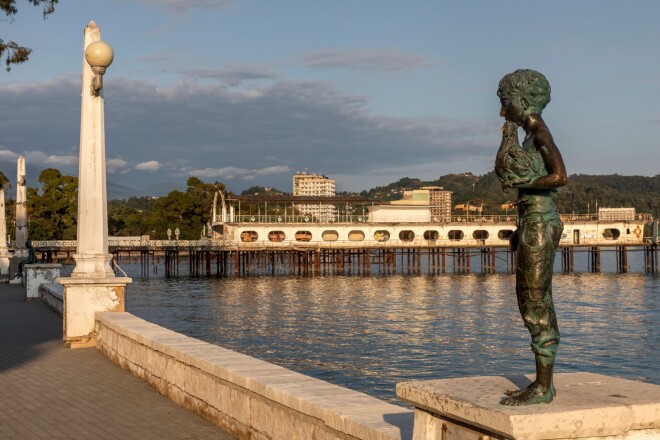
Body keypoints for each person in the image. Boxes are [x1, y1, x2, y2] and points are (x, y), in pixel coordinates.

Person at [495, 69, 568, 405]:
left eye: (504, 102)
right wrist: (518, 227)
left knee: (535, 301)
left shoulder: (539, 133)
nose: (502, 111)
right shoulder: (528, 136)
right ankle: (542, 382)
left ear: (522, 100)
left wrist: (523, 186)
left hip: (540, 220)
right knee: (528, 298)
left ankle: (543, 386)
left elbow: (559, 177)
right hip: (532, 220)